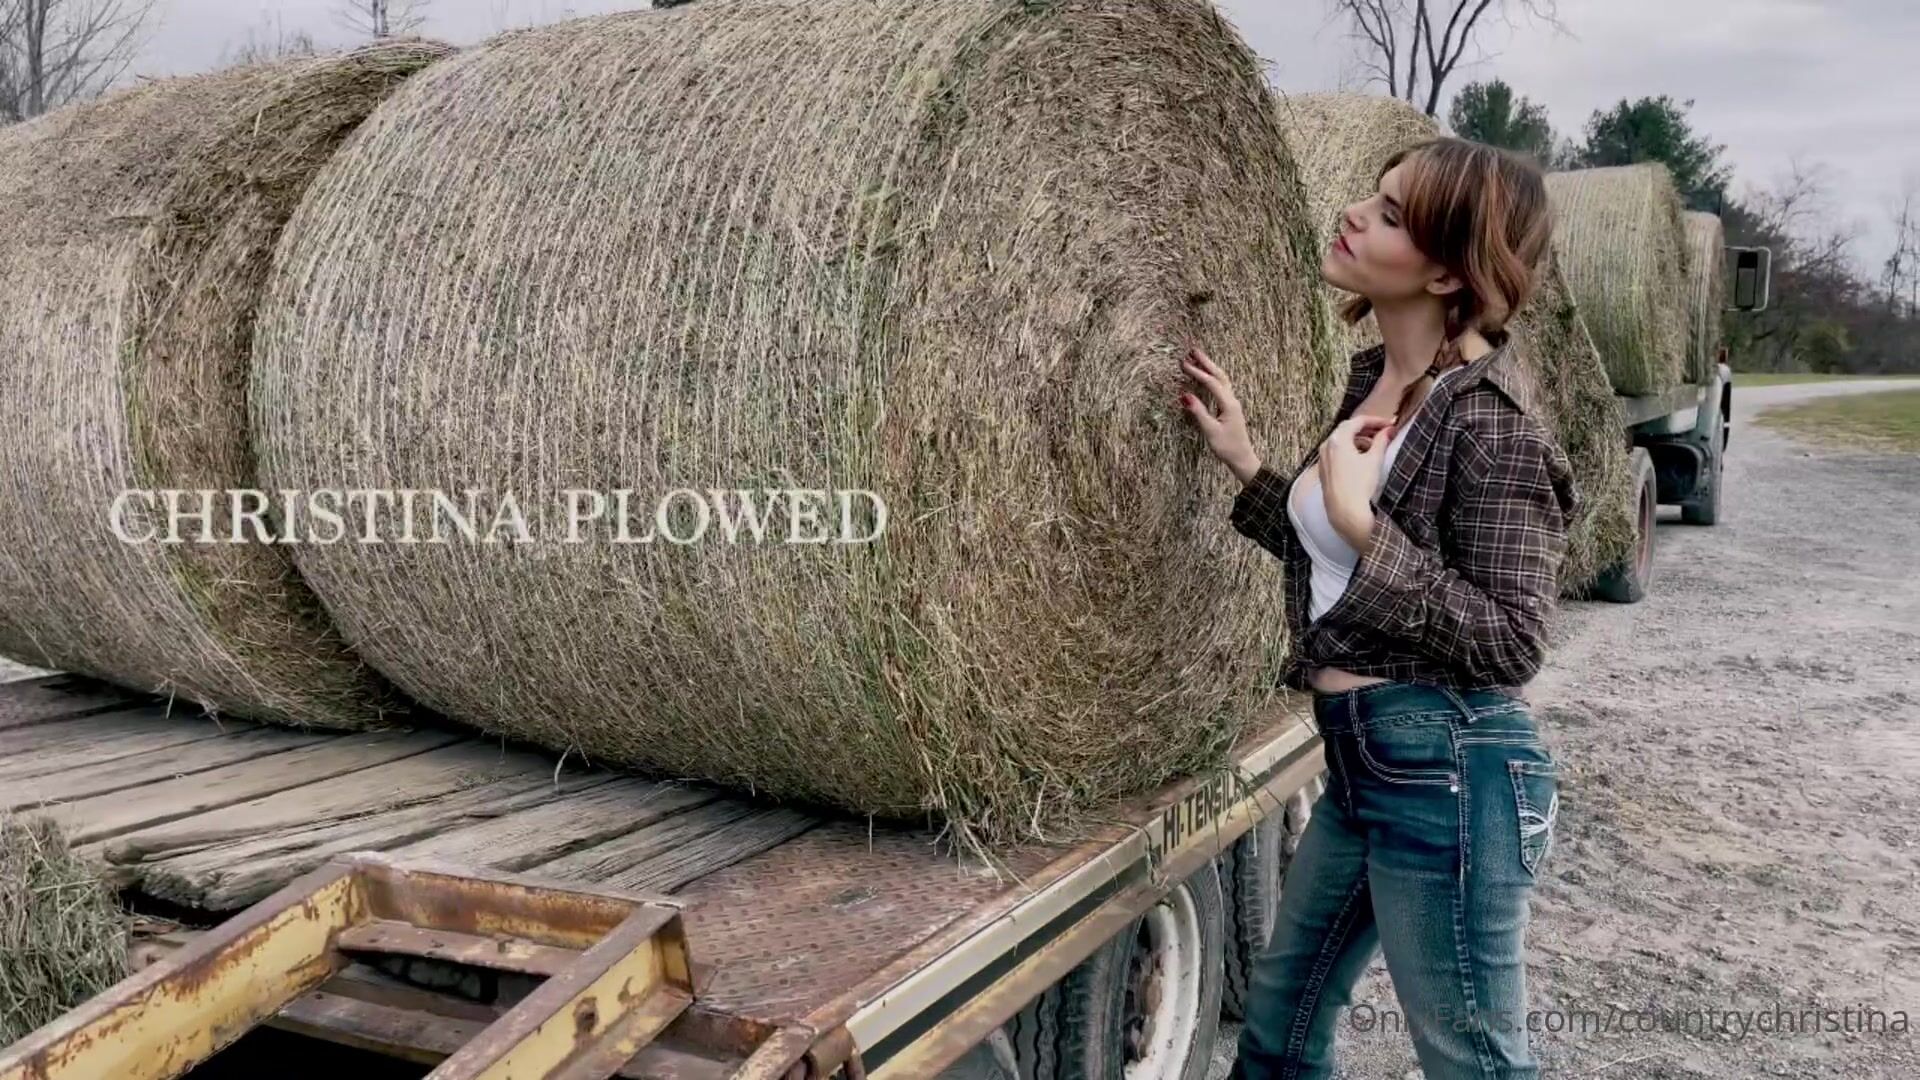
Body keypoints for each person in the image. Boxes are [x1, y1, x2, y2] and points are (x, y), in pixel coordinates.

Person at [1177, 136, 1583, 1079]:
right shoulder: (1377, 383)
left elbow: (1513, 639)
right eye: (1373, 195)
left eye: (1391, 215)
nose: (1354, 213)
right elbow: (1342, 580)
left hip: (1450, 771)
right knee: (1278, 1033)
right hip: (1365, 767)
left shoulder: (1492, 425)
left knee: (1473, 1061)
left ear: (1447, 271)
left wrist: (1366, 526)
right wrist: (1248, 465)